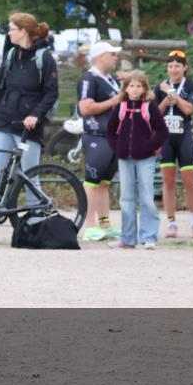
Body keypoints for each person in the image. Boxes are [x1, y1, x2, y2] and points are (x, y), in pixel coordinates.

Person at [0, 12, 58, 244]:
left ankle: (35, 224)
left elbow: (51, 93)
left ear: (23, 31)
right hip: (4, 121)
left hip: (28, 127)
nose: (8, 33)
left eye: (11, 28)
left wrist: (36, 115)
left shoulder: (44, 57)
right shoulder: (11, 55)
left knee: (31, 176)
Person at [106, 71, 169, 250]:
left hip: (146, 158)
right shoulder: (120, 107)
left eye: (138, 86)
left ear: (144, 89)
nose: (134, 90)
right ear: (125, 88)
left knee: (147, 196)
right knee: (126, 197)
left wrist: (149, 146)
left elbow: (162, 132)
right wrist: (117, 148)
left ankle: (149, 237)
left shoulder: (150, 108)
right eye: (131, 86)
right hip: (124, 158)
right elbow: (110, 132)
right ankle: (127, 238)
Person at [77, 41, 125, 242]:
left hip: (113, 137)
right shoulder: (89, 79)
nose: (116, 57)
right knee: (91, 182)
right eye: (112, 54)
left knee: (105, 183)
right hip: (97, 136)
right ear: (100, 57)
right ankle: (89, 225)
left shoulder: (111, 79)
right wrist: (114, 102)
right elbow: (85, 108)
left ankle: (105, 223)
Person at [154, 50, 193, 239]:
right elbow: (154, 114)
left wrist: (173, 93)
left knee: (189, 182)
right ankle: (171, 223)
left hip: (184, 137)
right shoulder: (159, 87)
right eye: (170, 66)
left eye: (177, 66)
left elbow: (189, 109)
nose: (173, 69)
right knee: (167, 181)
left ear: (185, 68)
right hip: (166, 138)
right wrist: (165, 102)